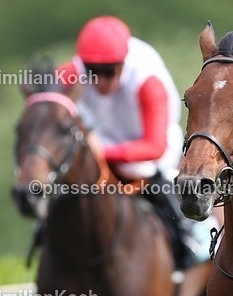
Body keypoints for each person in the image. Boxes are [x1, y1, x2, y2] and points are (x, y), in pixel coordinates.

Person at [57, 15, 195, 271]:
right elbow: (44, 105)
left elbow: (155, 146)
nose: (99, 81)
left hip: (150, 156)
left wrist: (102, 152)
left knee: (172, 199)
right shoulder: (72, 73)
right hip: (101, 142)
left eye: (108, 73)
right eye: (92, 72)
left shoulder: (147, 81)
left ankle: (191, 244)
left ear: (123, 64)